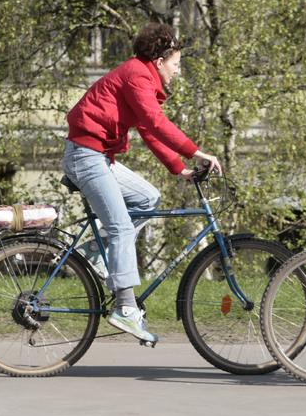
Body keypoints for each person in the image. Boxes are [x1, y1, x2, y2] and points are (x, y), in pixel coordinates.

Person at [62, 23, 221, 343]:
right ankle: (125, 308)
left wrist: (180, 169)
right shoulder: (136, 75)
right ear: (160, 61)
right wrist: (195, 152)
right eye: (176, 64)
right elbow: (155, 123)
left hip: (98, 156)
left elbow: (149, 131)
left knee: (148, 197)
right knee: (121, 227)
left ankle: (96, 253)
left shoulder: (141, 78)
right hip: (86, 155)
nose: (178, 71)